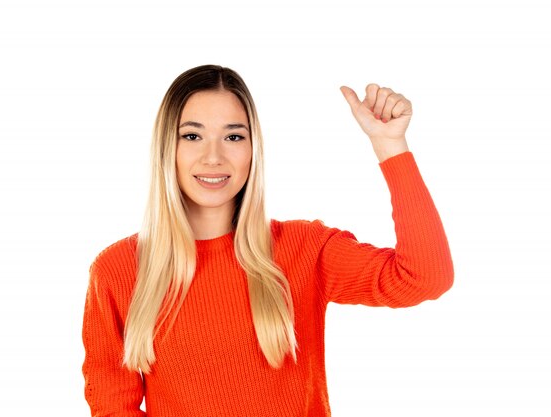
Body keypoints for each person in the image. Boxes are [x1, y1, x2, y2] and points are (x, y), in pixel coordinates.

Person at [81, 64, 454, 417]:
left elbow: (424, 276)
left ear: (253, 149)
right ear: (167, 148)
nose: (214, 156)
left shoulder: (305, 249)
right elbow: (114, 407)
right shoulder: (117, 271)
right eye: (192, 135)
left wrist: (390, 146)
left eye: (233, 136)